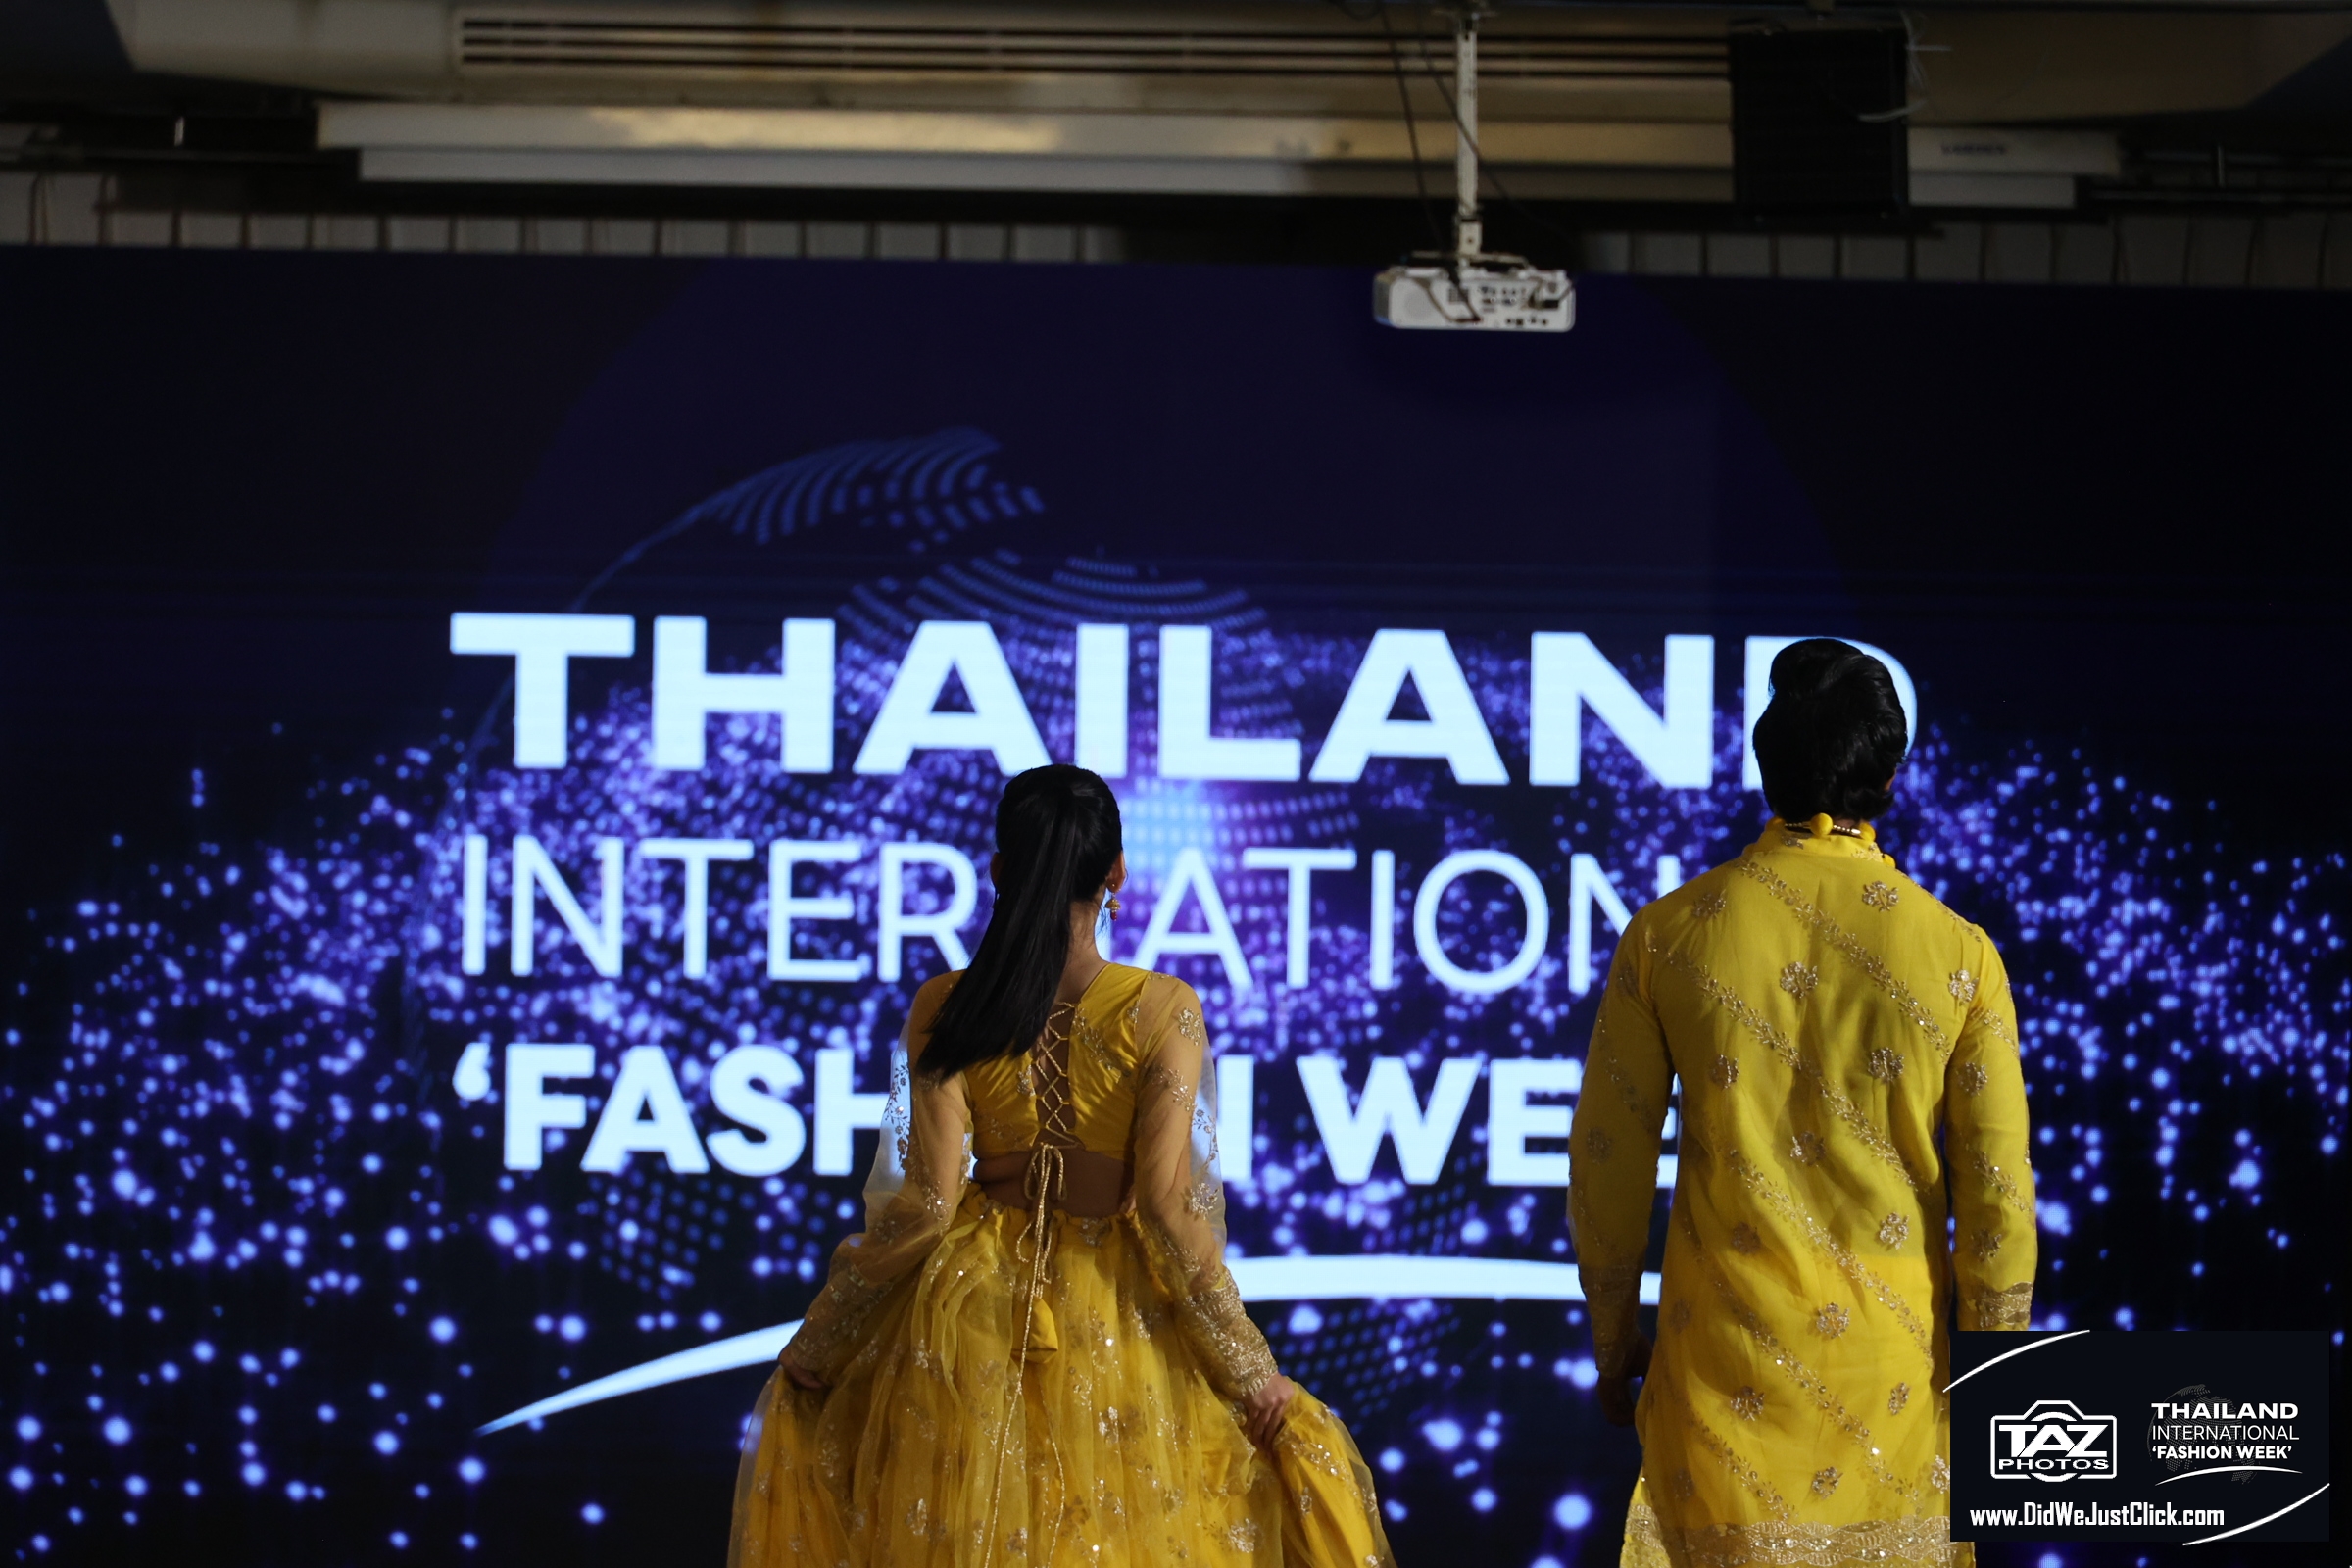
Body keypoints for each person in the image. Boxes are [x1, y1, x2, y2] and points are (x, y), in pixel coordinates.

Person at [729, 764, 1394, 1568]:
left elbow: (927, 1206)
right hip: (1118, 1320)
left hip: (969, 1322)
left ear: (998, 868)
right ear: (1117, 872)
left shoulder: (947, 1005)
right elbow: (1167, 1209)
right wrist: (1252, 1371)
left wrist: (823, 1339)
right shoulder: (1162, 1007)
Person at [1566, 639, 2036, 1568]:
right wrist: (1995, 1394)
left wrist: (1615, 1345)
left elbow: (1607, 1169)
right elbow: (1998, 1204)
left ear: (1767, 762)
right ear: (1888, 775)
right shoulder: (1960, 955)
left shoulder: (1669, 936)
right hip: (1892, 1394)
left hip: (1719, 1384)